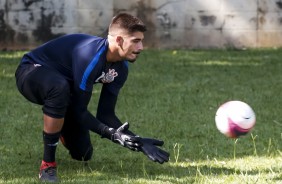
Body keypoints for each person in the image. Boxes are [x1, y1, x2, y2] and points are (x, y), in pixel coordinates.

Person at [15, 13, 169, 182]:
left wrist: (138, 141)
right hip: (31, 72)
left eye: (141, 40)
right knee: (59, 88)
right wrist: (112, 134)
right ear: (118, 40)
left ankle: (59, 127)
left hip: (65, 90)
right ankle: (47, 165)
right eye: (135, 41)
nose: (141, 47)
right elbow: (80, 111)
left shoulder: (121, 68)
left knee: (84, 154)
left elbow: (106, 114)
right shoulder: (90, 57)